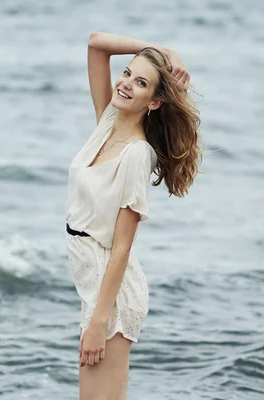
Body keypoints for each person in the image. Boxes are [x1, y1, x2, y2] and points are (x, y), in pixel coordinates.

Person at [65, 32, 202, 399]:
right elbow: (96, 44)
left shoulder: (137, 155)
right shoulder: (107, 121)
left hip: (112, 294)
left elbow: (123, 247)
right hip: (94, 282)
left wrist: (98, 323)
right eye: (126, 73)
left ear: (155, 102)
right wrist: (166, 50)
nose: (125, 83)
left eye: (140, 83)